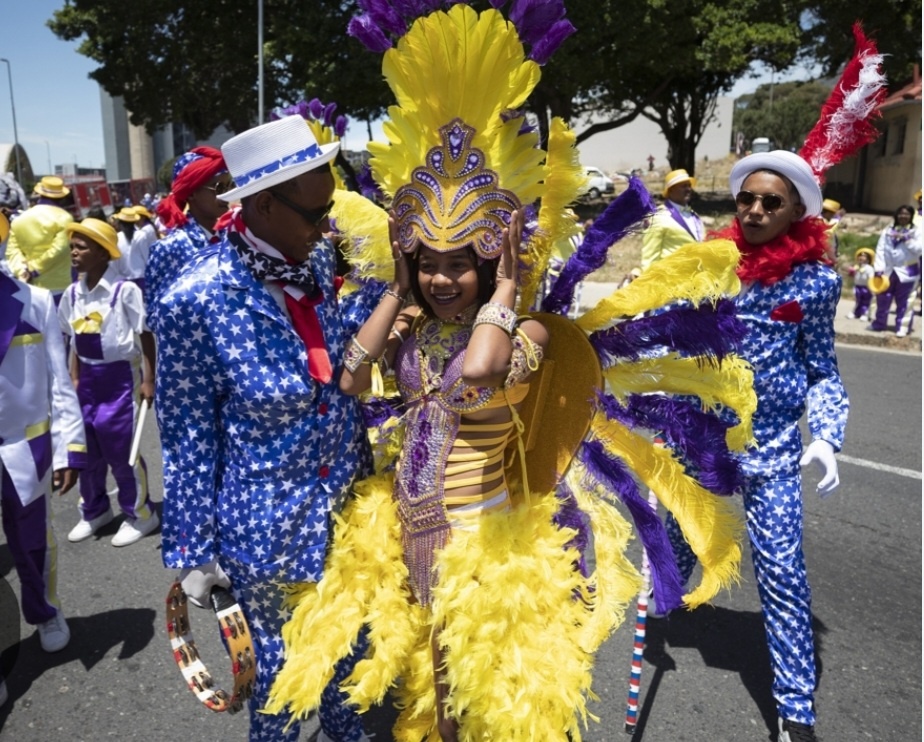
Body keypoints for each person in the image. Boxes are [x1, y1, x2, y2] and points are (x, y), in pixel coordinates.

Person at [265, 4, 756, 740]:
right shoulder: (413, 321)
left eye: (456, 264)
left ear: (489, 261)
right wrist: (397, 290)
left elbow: (478, 381)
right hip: (408, 530)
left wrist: (502, 288)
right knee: (424, 691)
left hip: (484, 542)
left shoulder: (521, 331)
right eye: (427, 263)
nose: (441, 280)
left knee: (482, 707)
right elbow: (349, 380)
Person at [152, 115, 383, 742]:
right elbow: (188, 438)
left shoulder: (315, 268)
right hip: (267, 536)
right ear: (259, 204)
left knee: (350, 677)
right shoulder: (193, 302)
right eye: (316, 213)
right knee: (282, 695)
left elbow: (343, 359)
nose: (328, 225)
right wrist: (193, 553)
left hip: (351, 520)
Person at [666, 149, 850, 742]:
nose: (754, 209)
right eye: (746, 197)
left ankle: (795, 710)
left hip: (772, 455)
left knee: (783, 574)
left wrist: (825, 435)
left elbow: (822, 369)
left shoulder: (818, 283)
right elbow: (670, 331)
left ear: (796, 208)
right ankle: (663, 599)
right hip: (704, 445)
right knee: (675, 535)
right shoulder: (711, 265)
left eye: (771, 201)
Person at [1, 212, 86, 681]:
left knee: (34, 543)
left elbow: (58, 378)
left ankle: (45, 609)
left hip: (23, 446)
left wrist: (70, 445)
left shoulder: (33, 300)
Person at [57, 218, 158, 547]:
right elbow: (72, 339)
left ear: (103, 253)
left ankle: (140, 513)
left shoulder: (124, 290)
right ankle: (94, 509)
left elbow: (145, 335)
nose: (74, 252)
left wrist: (148, 379)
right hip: (86, 379)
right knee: (87, 449)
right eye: (72, 246)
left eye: (82, 247)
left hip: (118, 381)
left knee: (121, 449)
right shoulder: (73, 294)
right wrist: (73, 377)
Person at [143, 147, 230, 328]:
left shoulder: (233, 238)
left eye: (230, 185)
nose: (226, 194)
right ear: (192, 193)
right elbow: (155, 316)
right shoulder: (170, 247)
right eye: (219, 187)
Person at [5, 176, 75, 304]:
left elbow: (12, 251)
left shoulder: (20, 219)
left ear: (40, 194)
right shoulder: (65, 218)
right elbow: (60, 250)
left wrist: (22, 271)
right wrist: (34, 269)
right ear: (61, 197)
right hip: (58, 286)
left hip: (28, 286)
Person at [868, 204, 921, 337]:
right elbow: (880, 249)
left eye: (907, 214)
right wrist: (878, 268)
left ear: (911, 216)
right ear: (896, 215)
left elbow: (920, 250)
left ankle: (902, 327)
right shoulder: (888, 230)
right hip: (888, 271)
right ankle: (879, 323)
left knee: (905, 301)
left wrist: (907, 240)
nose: (903, 216)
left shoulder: (917, 231)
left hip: (907, 271)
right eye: (901, 213)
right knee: (883, 298)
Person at [640, 168, 704, 270]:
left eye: (689, 185)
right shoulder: (658, 217)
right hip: (672, 281)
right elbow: (649, 257)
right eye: (683, 186)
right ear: (671, 190)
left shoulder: (694, 216)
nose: (688, 189)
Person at [845, 247, 875, 320]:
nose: (861, 257)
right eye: (860, 256)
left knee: (866, 301)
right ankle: (856, 313)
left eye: (864, 256)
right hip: (858, 286)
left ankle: (864, 314)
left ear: (868, 259)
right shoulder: (856, 267)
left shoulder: (869, 268)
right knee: (858, 300)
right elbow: (852, 276)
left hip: (866, 287)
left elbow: (871, 277)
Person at [821, 197, 843, 261]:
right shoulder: (821, 220)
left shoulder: (827, 220)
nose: (833, 215)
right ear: (827, 212)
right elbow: (828, 233)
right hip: (825, 253)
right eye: (832, 213)